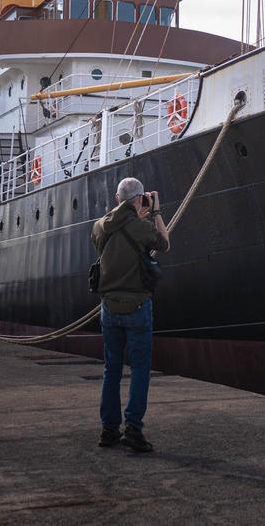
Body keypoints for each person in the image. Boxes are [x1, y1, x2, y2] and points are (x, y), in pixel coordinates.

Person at [92, 176, 169, 452]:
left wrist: (133, 212)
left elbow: (108, 242)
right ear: (140, 199)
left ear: (116, 199)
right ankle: (133, 429)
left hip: (109, 309)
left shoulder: (100, 227)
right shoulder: (141, 227)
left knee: (110, 370)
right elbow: (164, 243)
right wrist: (155, 211)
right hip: (137, 307)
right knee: (139, 369)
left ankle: (108, 430)